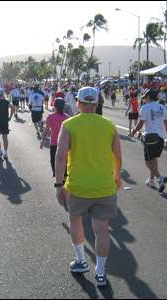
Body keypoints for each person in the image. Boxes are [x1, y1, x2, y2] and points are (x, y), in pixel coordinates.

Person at [55, 87, 122, 287]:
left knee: (75, 220)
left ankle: (81, 261)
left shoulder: (69, 124)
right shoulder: (109, 125)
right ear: (98, 103)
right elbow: (118, 155)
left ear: (78, 103)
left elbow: (60, 156)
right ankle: (100, 272)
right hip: (104, 187)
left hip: (77, 187)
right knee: (102, 230)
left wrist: (59, 185)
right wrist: (117, 177)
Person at [131, 89, 167, 192]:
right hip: (161, 137)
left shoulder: (146, 107)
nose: (144, 99)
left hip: (150, 137)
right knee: (153, 159)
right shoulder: (163, 107)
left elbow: (141, 123)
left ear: (148, 97)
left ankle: (159, 178)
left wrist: (134, 131)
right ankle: (151, 180)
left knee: (147, 161)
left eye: (145, 97)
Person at [40, 98, 70, 177]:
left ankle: (56, 174)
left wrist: (43, 141)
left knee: (53, 160)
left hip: (54, 142)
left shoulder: (51, 116)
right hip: (64, 143)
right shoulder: (67, 117)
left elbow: (46, 131)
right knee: (64, 159)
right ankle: (64, 175)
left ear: (55, 106)